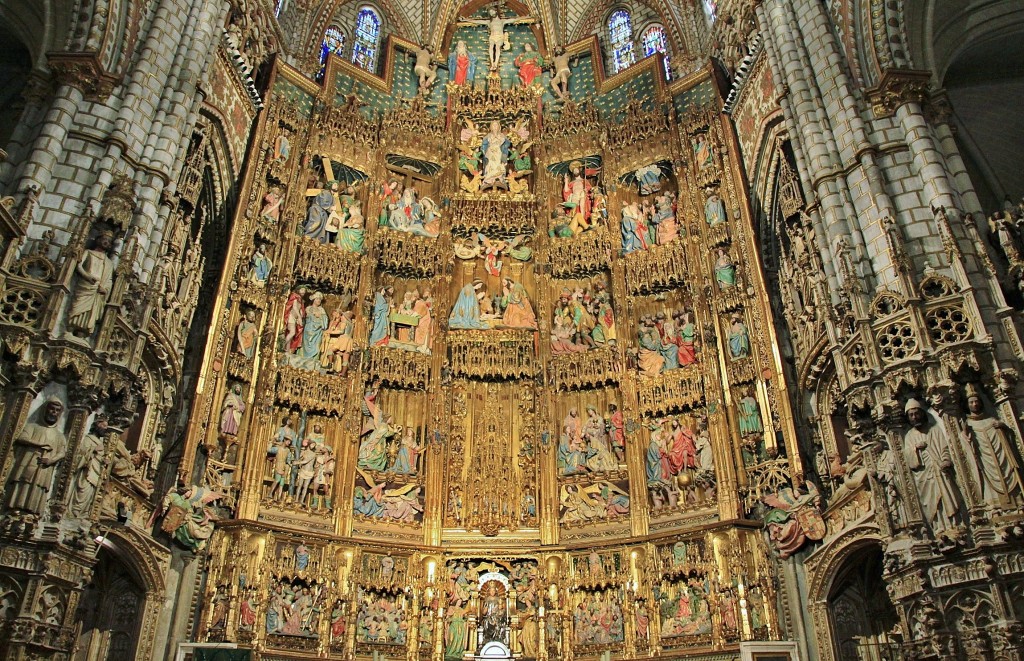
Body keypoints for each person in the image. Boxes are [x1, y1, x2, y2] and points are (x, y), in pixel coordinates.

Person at [902, 398, 964, 536]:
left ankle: (955, 523)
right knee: (930, 501)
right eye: (911, 415)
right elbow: (909, 460)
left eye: (916, 413)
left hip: (939, 469)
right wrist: (915, 449)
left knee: (947, 495)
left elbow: (944, 447)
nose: (914, 417)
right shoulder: (909, 436)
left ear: (922, 413)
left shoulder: (934, 430)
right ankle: (938, 526)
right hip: (924, 475)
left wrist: (945, 460)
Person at [961, 386, 1023, 510]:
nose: (975, 404)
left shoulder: (992, 420)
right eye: (971, 402)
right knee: (986, 477)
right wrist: (966, 437)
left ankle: (1018, 500)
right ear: (967, 405)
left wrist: (1003, 428)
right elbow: (965, 447)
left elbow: (1012, 437)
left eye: (977, 401)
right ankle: (994, 506)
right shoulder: (968, 424)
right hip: (985, 461)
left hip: (1001, 458)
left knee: (1008, 471)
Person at [4, 397, 67, 516]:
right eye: (51, 409)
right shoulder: (33, 427)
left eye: (57, 410)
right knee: (23, 483)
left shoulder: (59, 435)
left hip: (44, 468)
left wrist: (50, 460)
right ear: (45, 409)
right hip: (28, 462)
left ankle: (32, 513)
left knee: (38, 487)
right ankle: (15, 509)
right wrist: (39, 444)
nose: (54, 412)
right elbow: (22, 438)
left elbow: (62, 452)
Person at [457, 8, 537, 71]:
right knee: (491, 46)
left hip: (499, 37)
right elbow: (477, 21)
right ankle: (492, 63)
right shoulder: (489, 22)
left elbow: (514, 19)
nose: (491, 14)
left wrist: (526, 17)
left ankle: (496, 62)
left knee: (497, 47)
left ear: (496, 11)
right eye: (490, 13)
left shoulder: (502, 21)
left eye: (492, 12)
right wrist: (465, 20)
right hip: (492, 36)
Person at [68, 232, 116, 336]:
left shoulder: (109, 262)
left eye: (108, 241)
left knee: (91, 313)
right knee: (78, 307)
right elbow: (79, 266)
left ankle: (83, 331)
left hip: (97, 289)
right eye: (104, 239)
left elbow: (109, 280)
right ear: (98, 240)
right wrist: (87, 276)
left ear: (110, 246)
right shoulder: (88, 252)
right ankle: (71, 327)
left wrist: (105, 289)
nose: (106, 242)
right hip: (86, 284)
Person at [68, 415, 108, 518]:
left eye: (106, 427)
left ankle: (83, 512)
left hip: (96, 472)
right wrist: (93, 450)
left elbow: (100, 458)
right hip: (87, 471)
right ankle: (76, 509)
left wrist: (104, 460)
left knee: (90, 492)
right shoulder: (88, 439)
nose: (105, 429)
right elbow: (81, 454)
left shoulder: (101, 443)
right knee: (82, 489)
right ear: (97, 425)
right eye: (103, 426)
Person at [480, 120, 510, 189]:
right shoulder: (488, 136)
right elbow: (484, 145)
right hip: (490, 152)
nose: (495, 127)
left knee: (499, 164)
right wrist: (484, 150)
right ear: (491, 127)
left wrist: (502, 142)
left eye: (496, 125)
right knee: (490, 163)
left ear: (499, 127)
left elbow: (507, 143)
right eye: (493, 125)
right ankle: (488, 179)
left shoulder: (501, 135)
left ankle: (500, 178)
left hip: (499, 152)